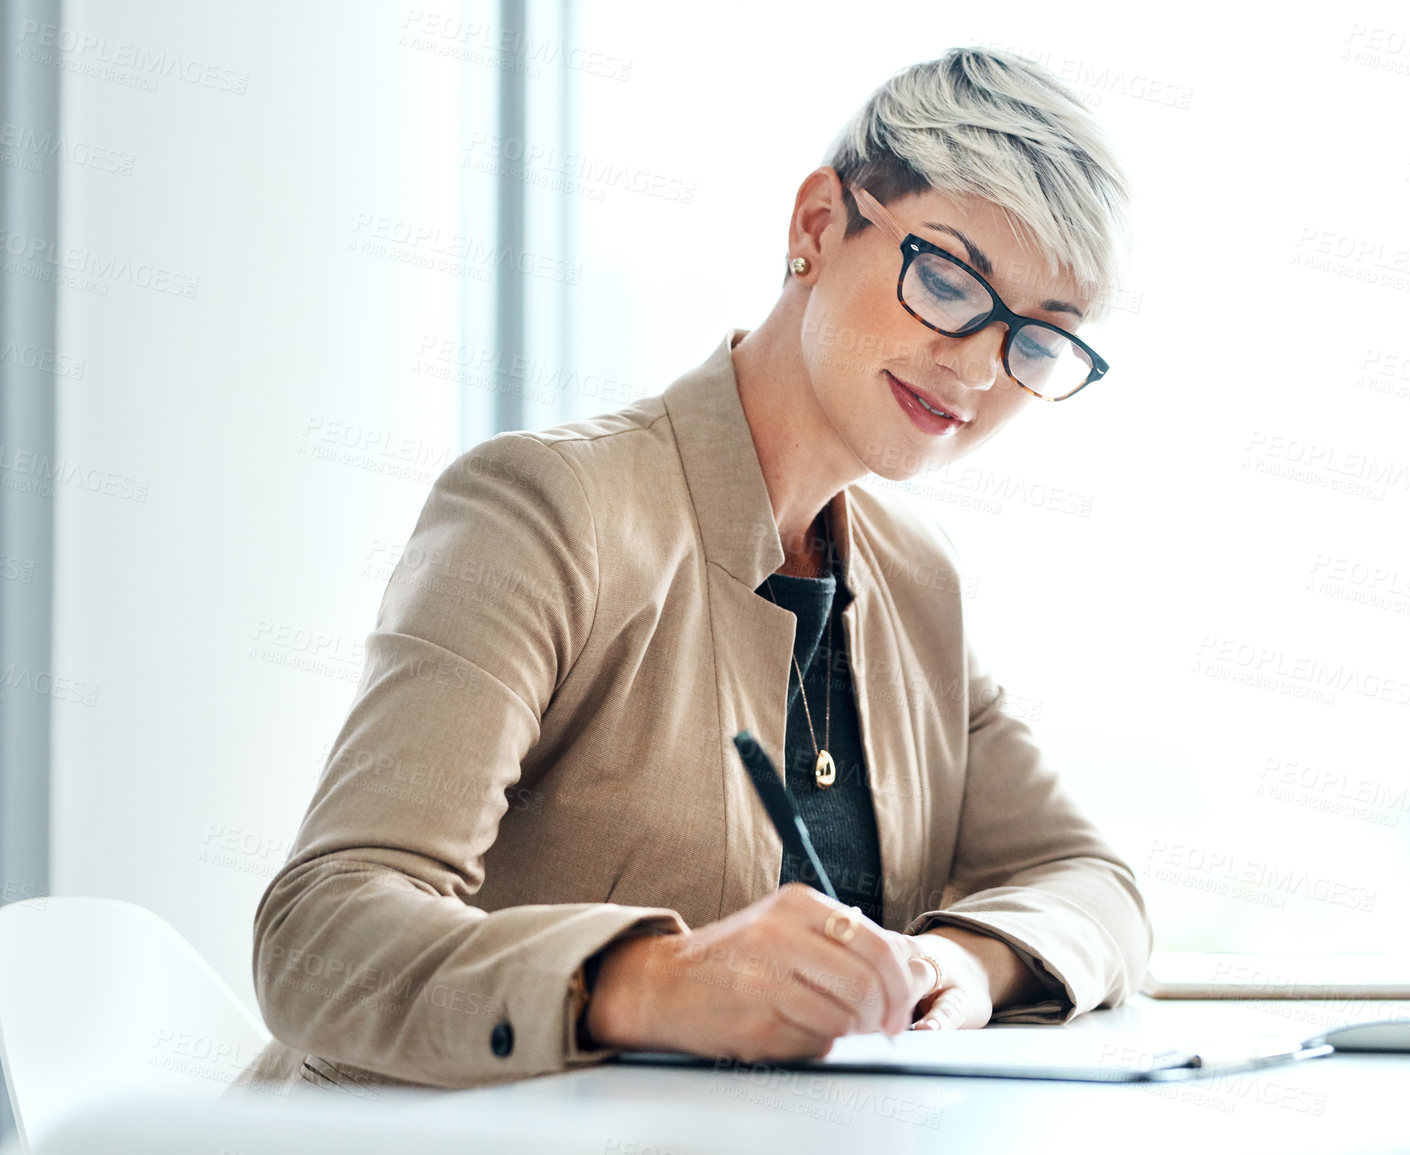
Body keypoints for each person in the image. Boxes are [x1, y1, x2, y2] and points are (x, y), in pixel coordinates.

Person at [226, 45, 1151, 1098]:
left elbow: (1094, 887)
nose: (980, 367)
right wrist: (652, 982)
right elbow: (319, 934)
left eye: (1039, 340)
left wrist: (957, 965)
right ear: (816, 227)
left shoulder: (913, 581)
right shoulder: (547, 508)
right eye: (948, 279)